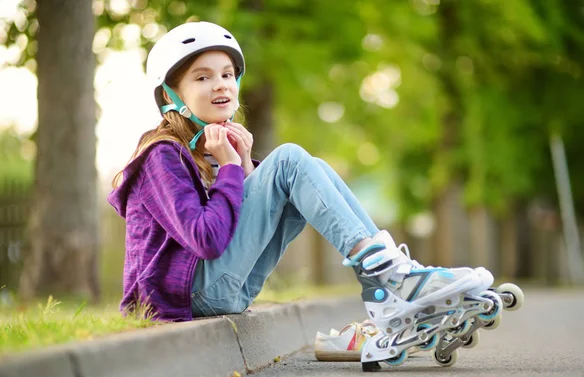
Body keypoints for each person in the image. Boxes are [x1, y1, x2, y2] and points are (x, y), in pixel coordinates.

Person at [107, 22, 495, 356]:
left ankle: (387, 283)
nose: (220, 84)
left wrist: (240, 167)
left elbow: (229, 229)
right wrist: (230, 168)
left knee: (312, 170)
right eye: (202, 77)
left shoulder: (212, 149)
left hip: (223, 290)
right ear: (169, 96)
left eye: (227, 74)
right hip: (184, 297)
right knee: (289, 160)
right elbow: (207, 240)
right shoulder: (161, 155)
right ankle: (390, 277)